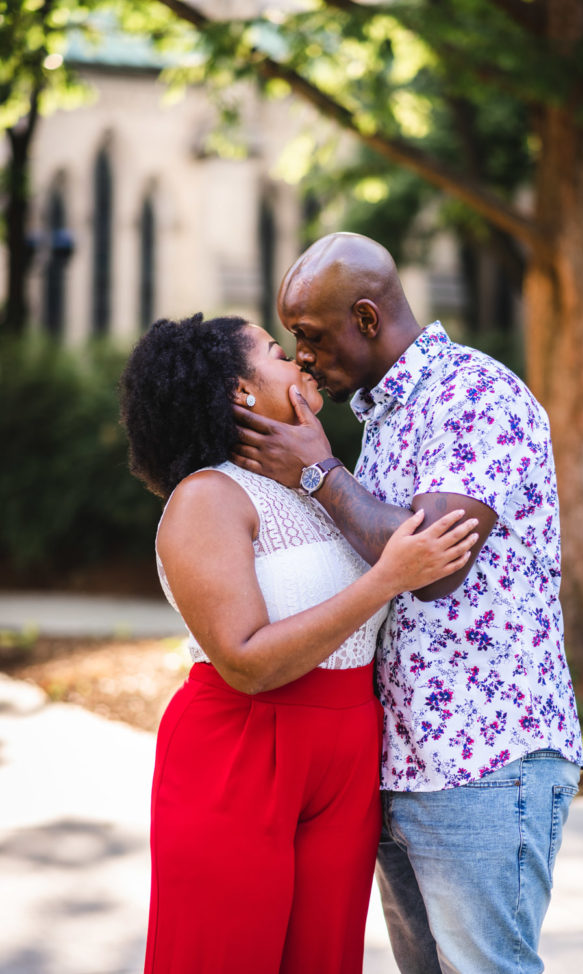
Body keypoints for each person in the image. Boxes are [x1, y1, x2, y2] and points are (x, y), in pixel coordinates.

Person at [232, 232, 583, 974]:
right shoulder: (386, 416)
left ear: (367, 317)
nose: (301, 356)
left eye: (311, 336)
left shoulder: (474, 394)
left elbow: (432, 566)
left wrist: (319, 470)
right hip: (405, 764)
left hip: (484, 761)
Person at [118, 312, 479, 974]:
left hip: (345, 753)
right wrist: (386, 580)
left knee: (325, 959)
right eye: (277, 352)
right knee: (226, 957)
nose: (300, 362)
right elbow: (247, 661)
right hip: (243, 749)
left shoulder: (316, 486)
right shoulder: (207, 498)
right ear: (239, 392)